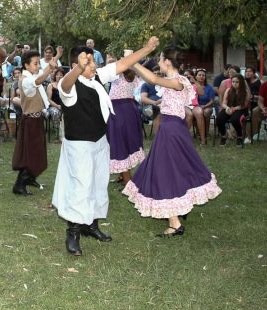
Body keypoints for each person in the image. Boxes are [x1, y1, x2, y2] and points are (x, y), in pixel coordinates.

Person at [52, 37, 160, 256]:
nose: (94, 66)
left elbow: (123, 64)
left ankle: (91, 226)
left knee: (99, 183)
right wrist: (78, 69)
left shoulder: (97, 77)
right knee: (81, 186)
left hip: (100, 141)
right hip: (79, 145)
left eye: (93, 63)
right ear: (76, 65)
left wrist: (146, 48)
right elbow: (64, 84)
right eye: (88, 64)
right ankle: (73, 233)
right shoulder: (69, 87)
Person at [122, 47, 222, 238]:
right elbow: (150, 80)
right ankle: (179, 210)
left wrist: (131, 62)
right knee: (175, 169)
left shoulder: (178, 81)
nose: (159, 61)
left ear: (167, 61)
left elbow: (151, 79)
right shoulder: (174, 81)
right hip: (170, 128)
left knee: (166, 172)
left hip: (172, 130)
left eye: (160, 58)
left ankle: (175, 223)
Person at [12, 49, 60, 195]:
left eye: (38, 63)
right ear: (26, 65)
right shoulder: (26, 80)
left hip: (36, 119)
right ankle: (19, 185)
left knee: (36, 152)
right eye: (35, 63)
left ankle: (30, 178)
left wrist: (56, 58)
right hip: (31, 121)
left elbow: (42, 73)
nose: (38, 66)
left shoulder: (31, 75)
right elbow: (39, 79)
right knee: (31, 153)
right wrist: (49, 68)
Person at [107, 68, 144, 186]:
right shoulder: (133, 75)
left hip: (119, 110)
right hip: (129, 108)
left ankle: (128, 181)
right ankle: (122, 175)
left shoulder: (118, 74)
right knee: (126, 142)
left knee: (120, 144)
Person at [216, 74, 252, 145]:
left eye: (237, 82)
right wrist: (227, 108)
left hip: (241, 109)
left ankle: (239, 136)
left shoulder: (246, 92)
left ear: (241, 82)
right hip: (229, 108)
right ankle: (223, 135)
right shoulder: (228, 90)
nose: (234, 84)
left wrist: (234, 108)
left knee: (234, 119)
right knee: (219, 118)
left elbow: (244, 105)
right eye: (233, 82)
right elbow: (224, 103)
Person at [192, 69, 215, 145]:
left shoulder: (209, 87)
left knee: (206, 112)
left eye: (203, 75)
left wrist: (205, 106)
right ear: (196, 76)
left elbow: (212, 101)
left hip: (207, 106)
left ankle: (206, 133)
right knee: (197, 113)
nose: (201, 76)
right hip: (195, 106)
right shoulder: (193, 87)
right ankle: (199, 132)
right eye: (199, 75)